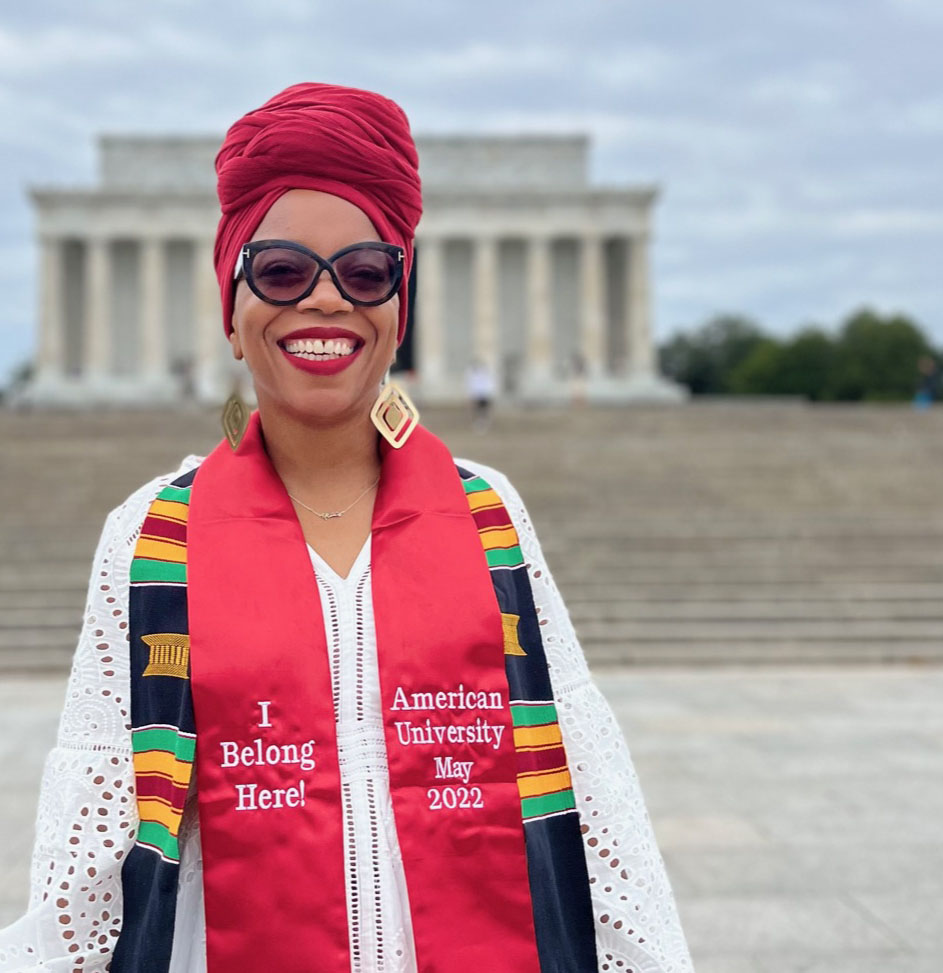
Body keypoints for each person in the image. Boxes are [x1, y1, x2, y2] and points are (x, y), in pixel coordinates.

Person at [0, 83, 691, 973]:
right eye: (282, 272)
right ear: (233, 308)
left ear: (400, 305)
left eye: (365, 273)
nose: (324, 301)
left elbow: (589, 800)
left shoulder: (489, 515)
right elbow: (91, 855)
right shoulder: (149, 535)